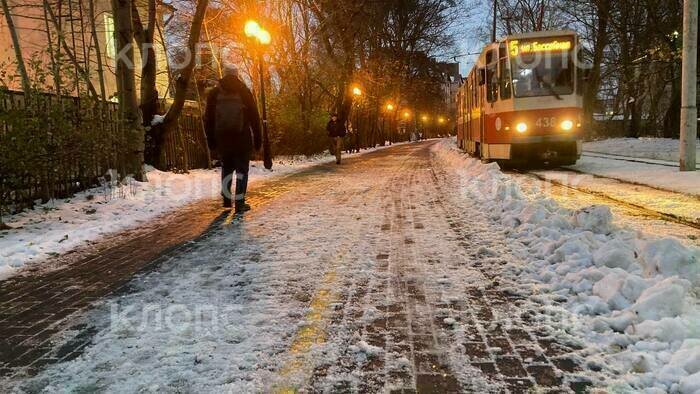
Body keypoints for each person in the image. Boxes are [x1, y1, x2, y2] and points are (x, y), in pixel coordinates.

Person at [204, 65, 262, 212]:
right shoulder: (244, 91)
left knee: (227, 167)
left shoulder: (214, 93)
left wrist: (211, 140)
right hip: (242, 137)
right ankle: (240, 203)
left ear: (223, 75)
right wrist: (258, 139)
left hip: (222, 138)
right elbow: (255, 117)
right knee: (242, 170)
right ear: (237, 75)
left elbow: (208, 119)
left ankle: (227, 199)